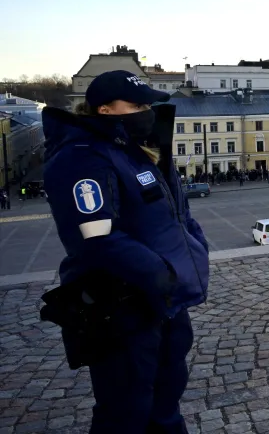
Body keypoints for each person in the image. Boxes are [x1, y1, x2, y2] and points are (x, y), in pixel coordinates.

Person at [40, 70, 209, 433]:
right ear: (104, 110)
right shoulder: (81, 157)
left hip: (165, 301)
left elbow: (179, 214)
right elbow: (96, 235)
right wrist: (161, 273)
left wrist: (195, 249)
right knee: (125, 410)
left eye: (148, 104)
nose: (146, 111)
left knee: (166, 400)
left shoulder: (139, 150)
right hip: (121, 306)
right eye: (136, 105)